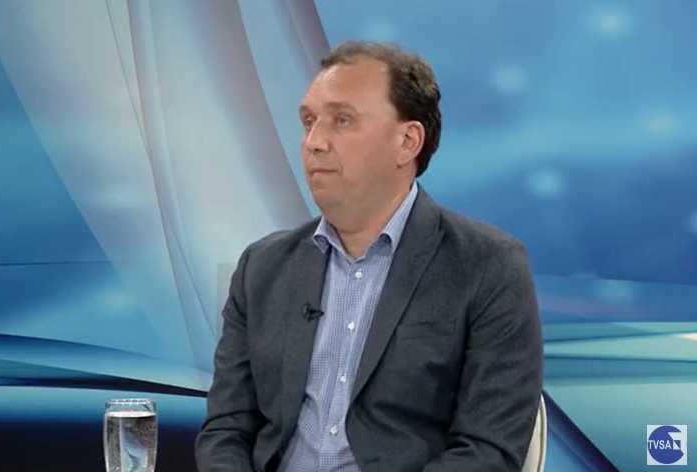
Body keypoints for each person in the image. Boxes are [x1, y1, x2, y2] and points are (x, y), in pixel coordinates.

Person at [195, 40, 543, 472]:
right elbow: (226, 430)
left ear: (407, 141)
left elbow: (488, 451)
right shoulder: (262, 267)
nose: (314, 142)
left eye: (342, 120)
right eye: (308, 122)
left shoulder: (488, 265)